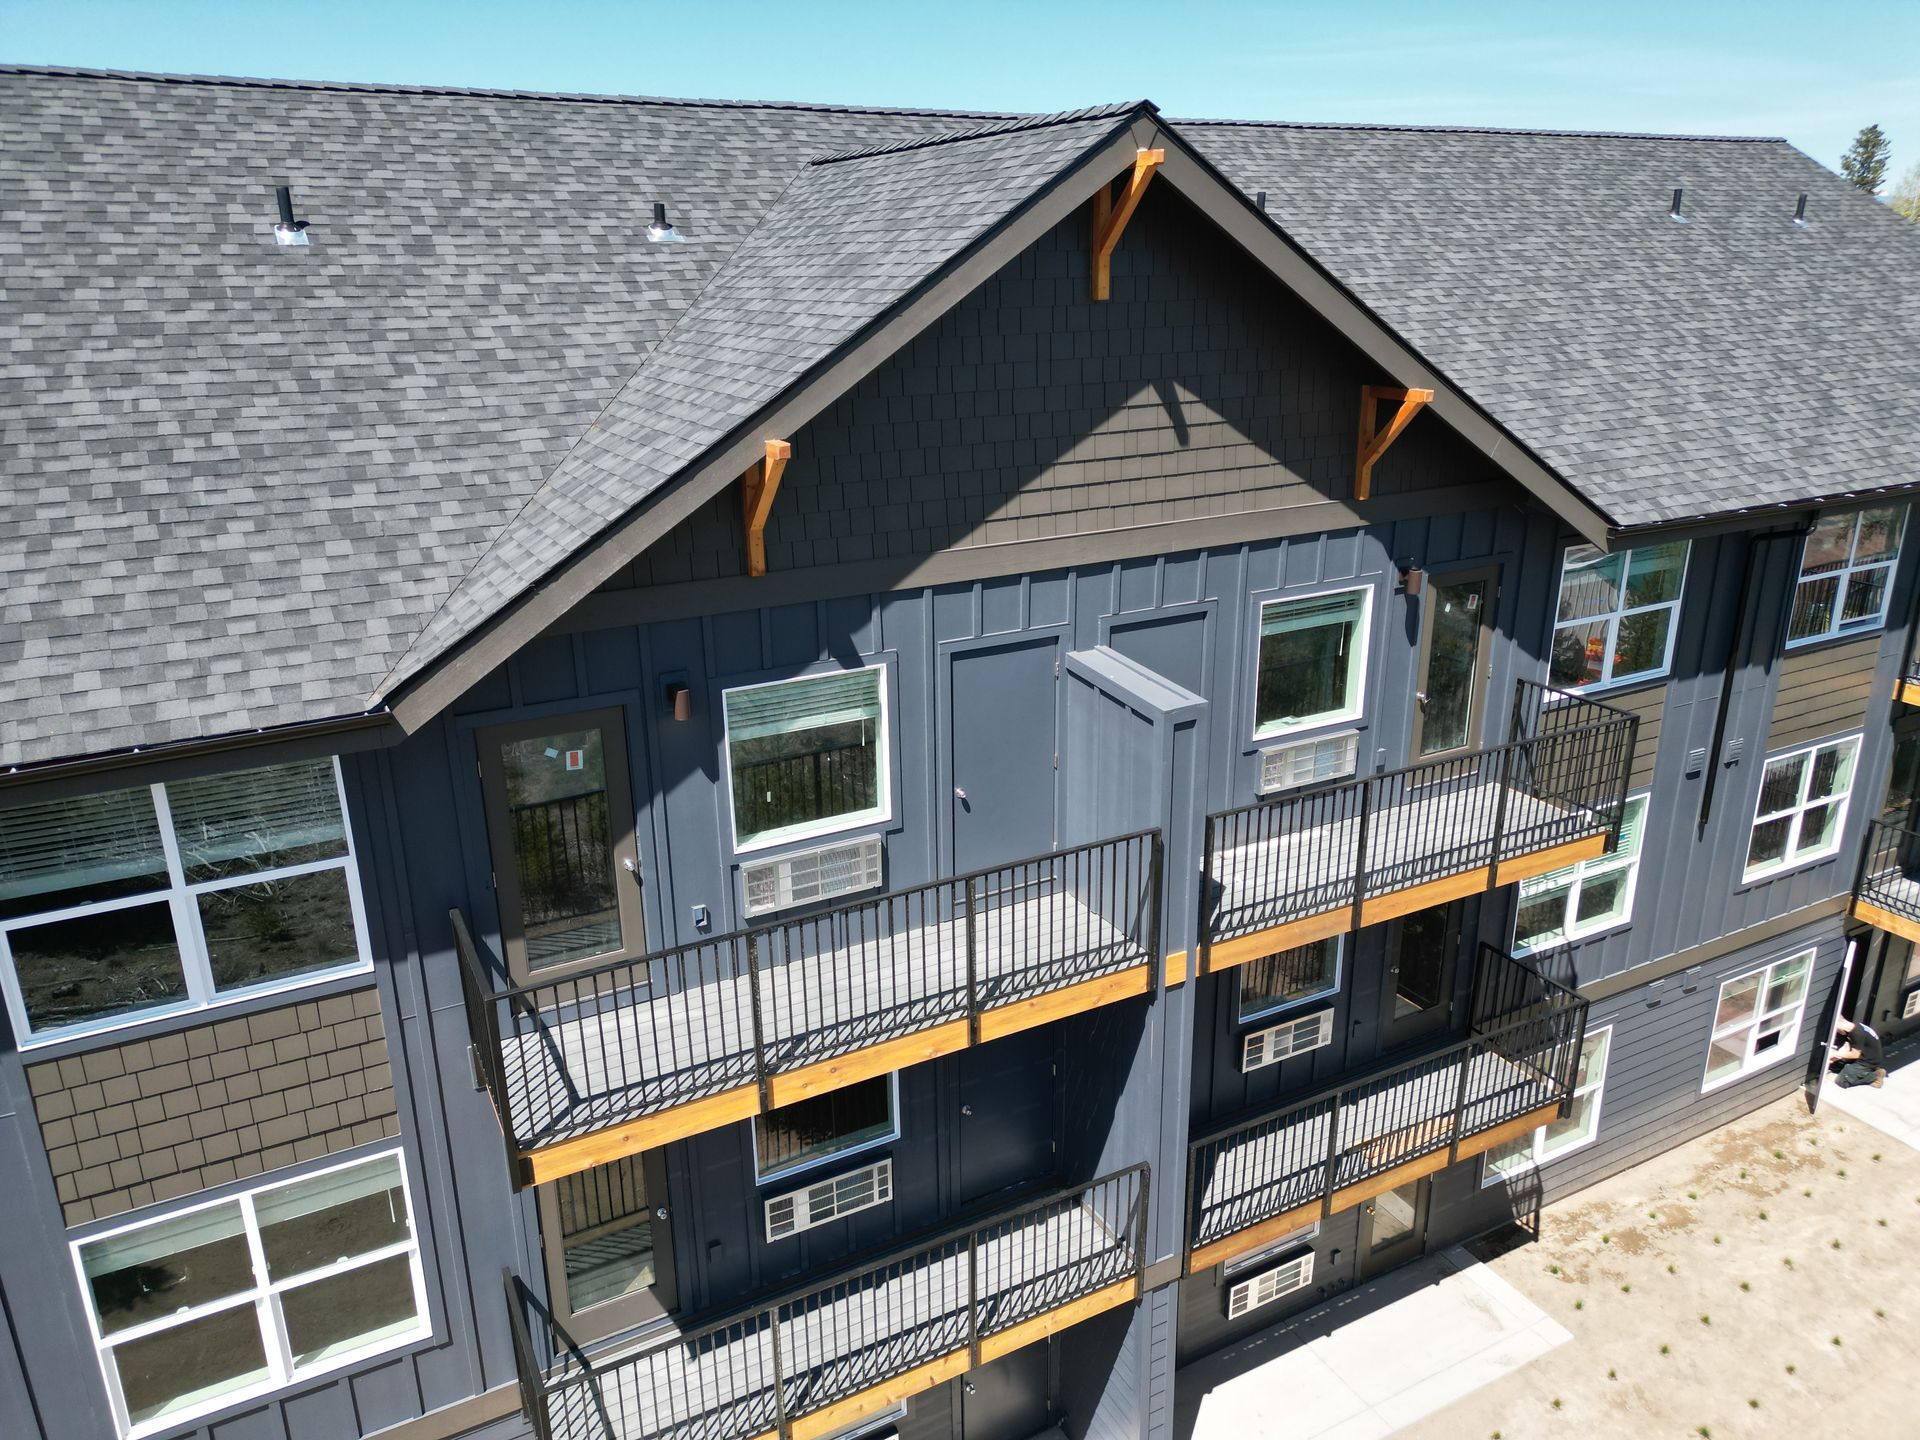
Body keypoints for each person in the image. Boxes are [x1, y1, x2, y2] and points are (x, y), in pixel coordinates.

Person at [1830, 1016, 1886, 1089]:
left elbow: (1855, 1055)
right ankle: (1861, 1072)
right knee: (1839, 1067)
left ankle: (1875, 1076)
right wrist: (1836, 1057)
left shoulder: (1858, 1034)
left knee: (1841, 1081)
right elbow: (1848, 1046)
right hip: (1866, 1057)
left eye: (1836, 1029)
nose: (1836, 1031)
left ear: (1839, 1024)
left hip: (1868, 1062)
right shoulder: (1856, 1027)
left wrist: (1835, 1053)